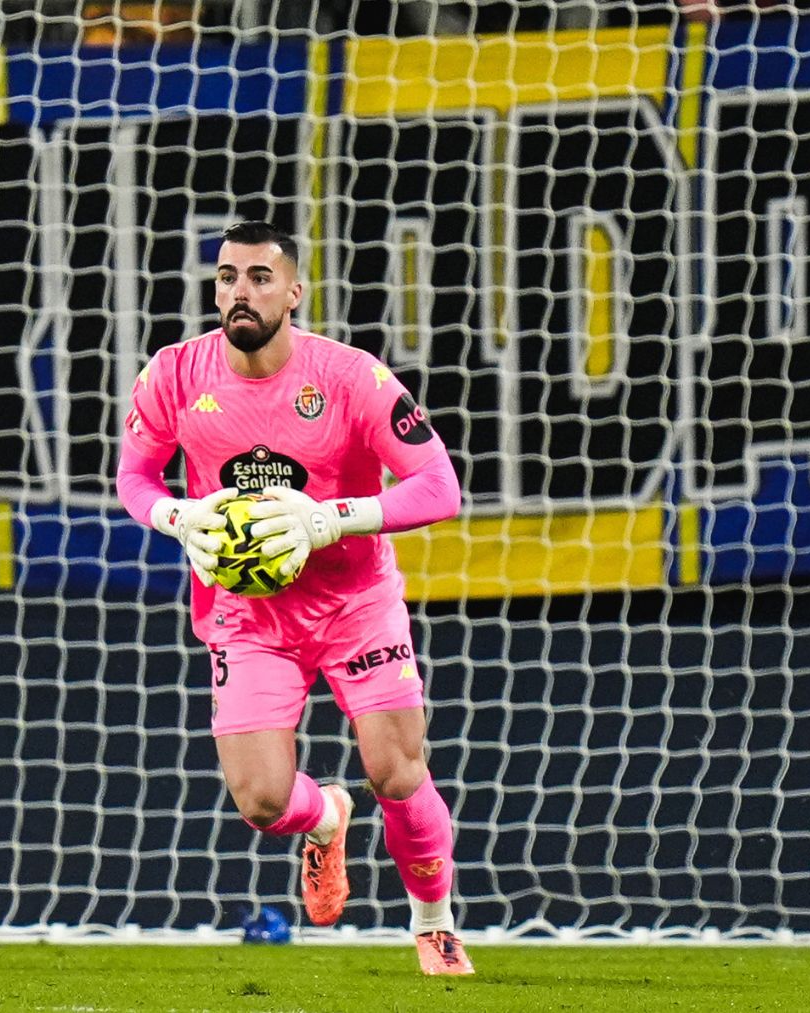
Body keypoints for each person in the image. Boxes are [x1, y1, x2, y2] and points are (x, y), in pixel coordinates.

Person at [115, 220, 473, 975]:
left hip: (354, 600)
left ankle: (434, 923)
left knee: (398, 771)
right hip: (248, 616)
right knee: (262, 801)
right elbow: (134, 477)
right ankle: (327, 817)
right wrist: (179, 517)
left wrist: (328, 517)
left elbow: (440, 486)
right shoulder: (175, 374)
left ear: (295, 290)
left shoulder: (351, 378)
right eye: (227, 278)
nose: (240, 292)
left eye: (258, 277)